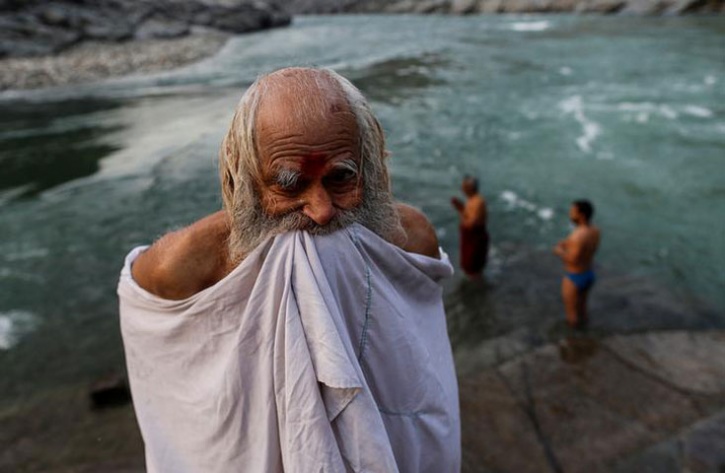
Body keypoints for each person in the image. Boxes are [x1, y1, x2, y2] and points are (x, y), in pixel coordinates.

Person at [117, 67, 460, 472]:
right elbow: (163, 370)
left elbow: (422, 378)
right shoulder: (185, 267)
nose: (321, 210)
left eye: (340, 178)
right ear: (242, 178)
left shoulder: (407, 238)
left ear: (370, 165)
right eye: (290, 184)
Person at [553, 199, 601, 330]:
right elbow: (585, 248)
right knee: (583, 309)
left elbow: (572, 259)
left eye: (573, 212)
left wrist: (559, 252)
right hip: (588, 273)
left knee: (571, 315)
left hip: (574, 277)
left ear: (581, 215)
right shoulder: (595, 231)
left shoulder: (578, 235)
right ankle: (586, 332)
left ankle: (573, 342)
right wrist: (568, 244)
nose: (570, 214)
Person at [451, 175, 489, 278]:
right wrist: (460, 208)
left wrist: (463, 218)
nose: (462, 188)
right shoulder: (471, 200)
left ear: (470, 187)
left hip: (475, 237)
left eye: (464, 186)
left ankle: (477, 286)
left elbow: (472, 223)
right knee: (469, 265)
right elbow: (468, 216)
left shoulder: (478, 202)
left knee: (474, 264)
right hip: (470, 236)